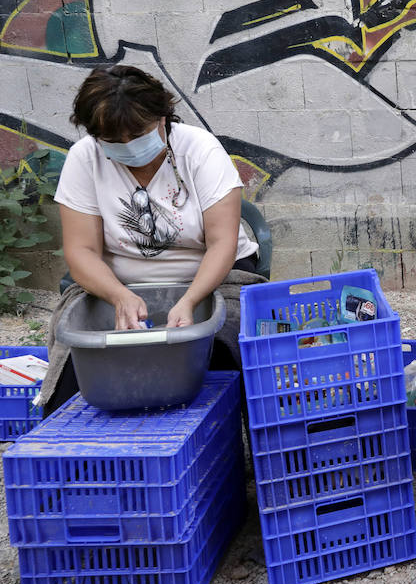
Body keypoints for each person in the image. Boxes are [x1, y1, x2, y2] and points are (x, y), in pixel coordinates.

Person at [38, 64, 262, 412]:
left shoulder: (199, 150)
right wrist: (119, 296)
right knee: (74, 382)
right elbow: (81, 250)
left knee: (218, 363)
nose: (127, 147)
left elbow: (222, 243)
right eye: (113, 141)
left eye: (138, 134)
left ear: (163, 117)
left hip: (213, 278)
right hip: (118, 283)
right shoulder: (86, 158)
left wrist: (189, 301)